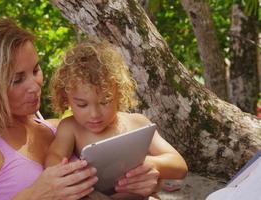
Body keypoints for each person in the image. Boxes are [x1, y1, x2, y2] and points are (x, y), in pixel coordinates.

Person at [0, 19, 99, 200]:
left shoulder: (60, 129)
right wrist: (33, 196)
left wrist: (134, 182)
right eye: (17, 79)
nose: (35, 86)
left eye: (36, 70)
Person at [45, 40, 188, 198]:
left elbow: (179, 165)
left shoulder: (137, 123)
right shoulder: (71, 127)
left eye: (105, 101)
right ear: (67, 99)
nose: (94, 114)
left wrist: (152, 164)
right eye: (82, 105)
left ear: (119, 93)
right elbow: (54, 157)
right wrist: (69, 173)